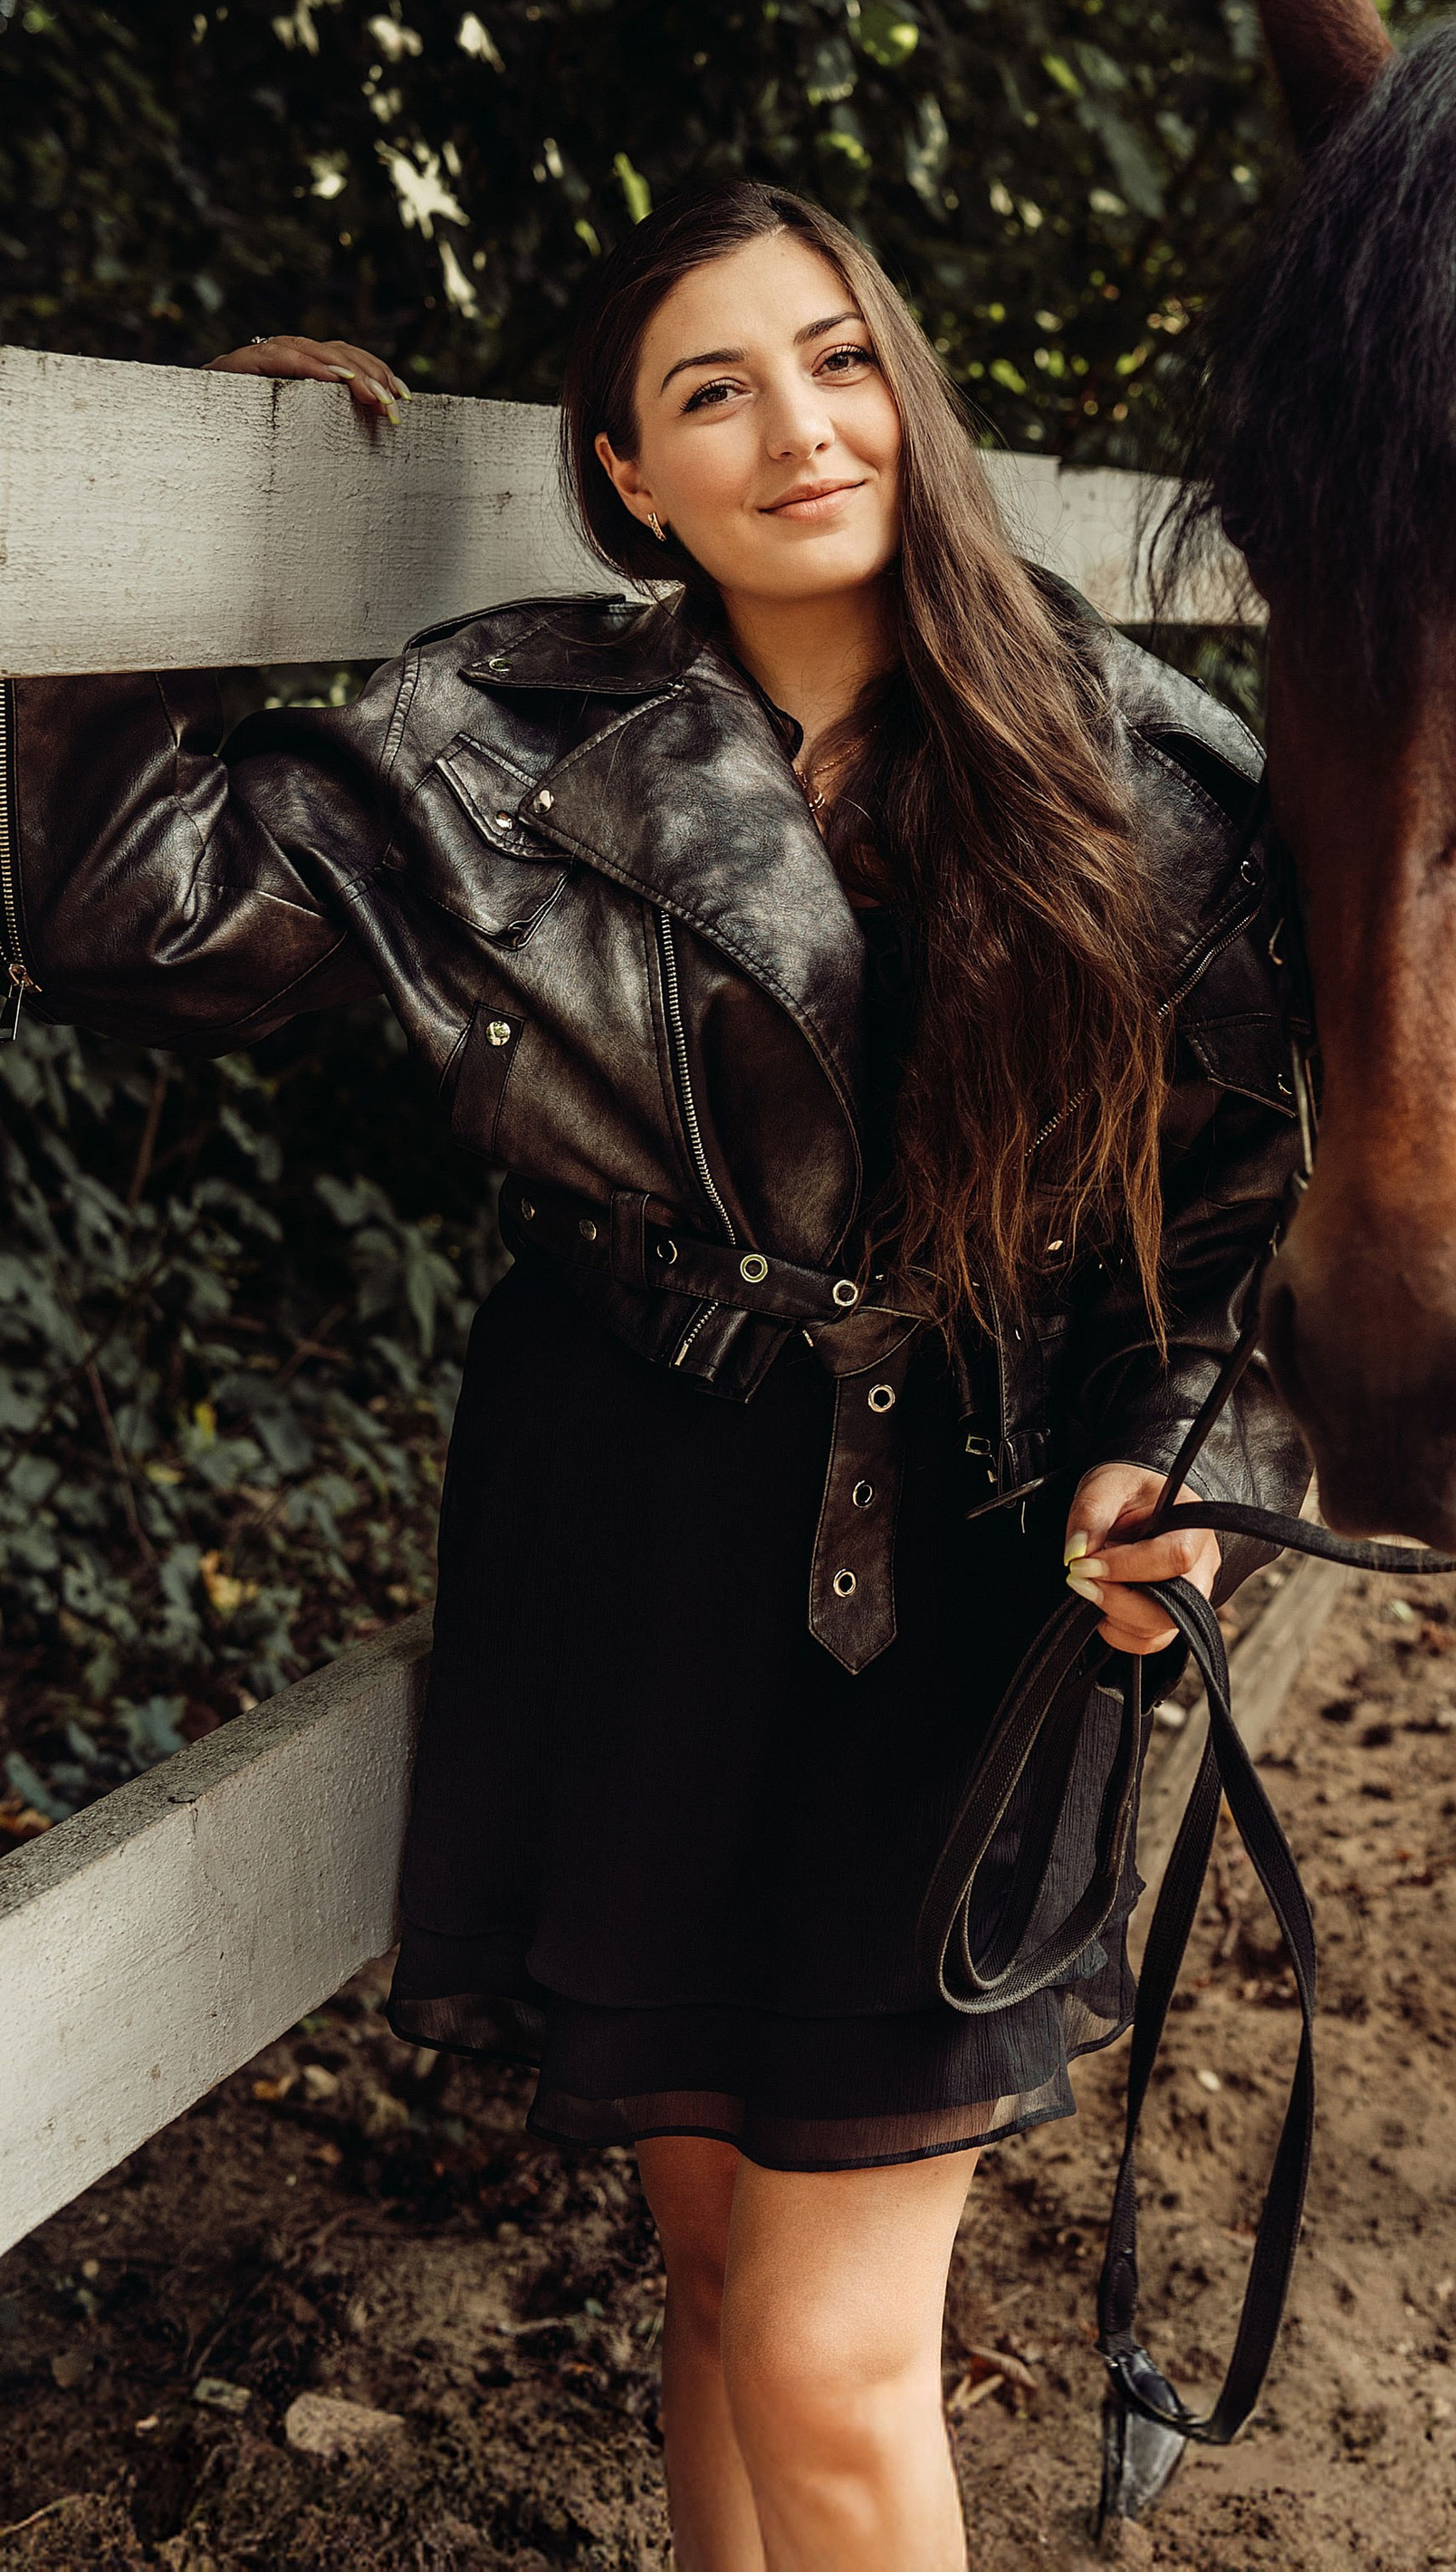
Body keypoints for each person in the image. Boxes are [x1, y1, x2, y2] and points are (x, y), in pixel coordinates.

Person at [2, 180, 1308, 2571]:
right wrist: (198, 510)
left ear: (904, 386)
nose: (800, 427)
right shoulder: (507, 751)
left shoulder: (1143, 778)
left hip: (978, 1565)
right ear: (628, 470)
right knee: (712, 2285)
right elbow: (130, 911)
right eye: (716, 390)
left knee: (829, 2353)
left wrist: (1176, 1454)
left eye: (837, 359)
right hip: (619, 1549)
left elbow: (1254, 1202)